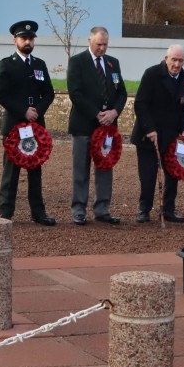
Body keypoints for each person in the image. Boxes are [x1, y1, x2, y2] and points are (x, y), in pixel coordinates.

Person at [0, 20, 56, 225]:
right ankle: (6, 212)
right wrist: (23, 111)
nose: (28, 41)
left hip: (36, 126)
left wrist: (37, 111)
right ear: (15, 40)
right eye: (24, 38)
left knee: (35, 170)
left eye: (30, 38)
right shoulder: (6, 63)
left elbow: (48, 92)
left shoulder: (40, 64)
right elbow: (2, 95)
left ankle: (38, 212)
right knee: (10, 172)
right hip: (15, 125)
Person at [67, 26, 127, 225]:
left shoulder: (113, 63)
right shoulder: (77, 62)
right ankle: (79, 210)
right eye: (99, 44)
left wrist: (114, 112)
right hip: (84, 124)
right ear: (89, 41)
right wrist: (96, 113)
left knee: (105, 166)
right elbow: (75, 93)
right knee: (81, 169)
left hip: (108, 127)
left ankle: (102, 209)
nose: (102, 48)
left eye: (105, 44)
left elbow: (121, 93)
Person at [131, 44, 184, 223]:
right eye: (173, 59)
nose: (176, 64)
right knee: (148, 176)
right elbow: (140, 103)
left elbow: (183, 107)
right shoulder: (151, 74)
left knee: (173, 174)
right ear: (166, 59)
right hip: (149, 135)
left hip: (172, 136)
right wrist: (149, 129)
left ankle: (168, 209)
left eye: (180, 60)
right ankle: (144, 209)